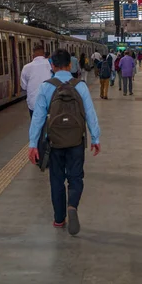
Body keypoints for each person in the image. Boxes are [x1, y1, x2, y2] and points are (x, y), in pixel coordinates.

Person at [28, 49, 101, 235]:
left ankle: (59, 219)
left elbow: (38, 117)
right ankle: (72, 206)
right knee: (76, 177)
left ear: (52, 66)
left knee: (56, 180)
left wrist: (33, 144)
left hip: (54, 142)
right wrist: (96, 138)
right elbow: (90, 114)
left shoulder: (46, 87)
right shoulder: (80, 86)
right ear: (70, 65)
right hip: (76, 140)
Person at [21, 45, 52, 118]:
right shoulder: (52, 65)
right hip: (50, 102)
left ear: (33, 54)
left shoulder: (26, 67)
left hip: (33, 104)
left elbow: (24, 86)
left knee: (36, 126)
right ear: (44, 54)